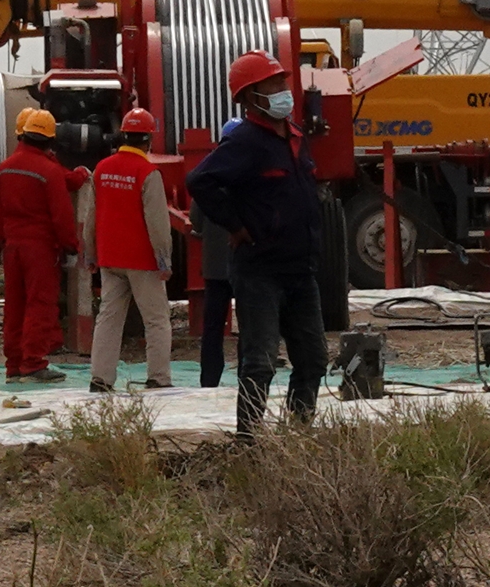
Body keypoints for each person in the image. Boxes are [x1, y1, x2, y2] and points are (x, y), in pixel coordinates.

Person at [186, 52, 326, 436]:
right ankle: (248, 442)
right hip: (260, 271)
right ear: (251, 97)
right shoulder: (245, 141)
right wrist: (236, 225)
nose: (284, 90)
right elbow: (200, 181)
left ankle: (299, 436)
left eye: (283, 82)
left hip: (301, 270)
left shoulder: (295, 137)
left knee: (313, 360)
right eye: (274, 84)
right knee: (260, 362)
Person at [87, 107, 186, 393]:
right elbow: (157, 223)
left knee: (108, 318)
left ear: (124, 136)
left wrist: (91, 254)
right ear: (148, 140)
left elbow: (91, 216)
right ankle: (158, 377)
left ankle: (100, 378)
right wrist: (164, 260)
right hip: (142, 261)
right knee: (156, 320)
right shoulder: (148, 172)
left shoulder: (102, 168)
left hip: (110, 259)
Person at [0, 107, 82, 382]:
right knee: (40, 305)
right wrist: (70, 247)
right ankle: (33, 363)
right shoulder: (49, 170)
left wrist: (4, 242)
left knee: (15, 305)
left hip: (12, 247)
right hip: (40, 249)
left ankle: (13, 366)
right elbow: (61, 215)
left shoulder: (2, 169)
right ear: (50, 140)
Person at [196, 120, 239, 390]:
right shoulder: (251, 166)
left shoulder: (208, 169)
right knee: (252, 324)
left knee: (212, 327)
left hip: (214, 265)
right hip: (245, 261)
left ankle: (209, 380)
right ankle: (251, 376)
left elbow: (196, 219)